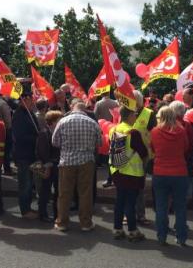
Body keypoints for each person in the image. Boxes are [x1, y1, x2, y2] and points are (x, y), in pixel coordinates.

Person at [53, 102, 102, 231]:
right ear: (84, 109)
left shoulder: (63, 121)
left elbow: (55, 141)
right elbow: (100, 142)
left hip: (67, 161)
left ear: (72, 108)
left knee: (64, 193)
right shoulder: (92, 123)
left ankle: (62, 222)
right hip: (86, 161)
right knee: (85, 193)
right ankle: (85, 223)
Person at [151, 106, 189, 246]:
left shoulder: (155, 132)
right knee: (180, 207)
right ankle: (181, 237)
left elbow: (153, 148)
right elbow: (186, 147)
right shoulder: (181, 131)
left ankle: (162, 236)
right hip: (179, 172)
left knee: (161, 207)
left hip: (160, 172)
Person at [109, 107, 148, 241]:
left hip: (117, 170)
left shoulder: (113, 129)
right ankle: (132, 230)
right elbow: (143, 152)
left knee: (120, 201)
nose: (136, 117)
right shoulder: (133, 132)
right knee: (130, 203)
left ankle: (117, 229)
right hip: (132, 173)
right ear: (130, 116)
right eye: (134, 115)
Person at [12, 91, 39, 219]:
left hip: (30, 154)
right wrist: (36, 137)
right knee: (25, 183)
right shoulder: (18, 115)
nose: (32, 101)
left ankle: (27, 207)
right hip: (23, 154)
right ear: (24, 99)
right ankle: (25, 210)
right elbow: (19, 136)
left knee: (29, 183)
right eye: (30, 99)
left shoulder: (30, 113)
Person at [132, 90, 156, 226]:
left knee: (139, 185)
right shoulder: (125, 112)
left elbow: (154, 134)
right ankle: (128, 213)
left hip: (143, 154)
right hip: (128, 153)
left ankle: (140, 214)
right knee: (128, 184)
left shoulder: (149, 114)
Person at [37, 110, 63, 223]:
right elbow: (42, 151)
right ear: (52, 122)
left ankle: (57, 214)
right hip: (47, 166)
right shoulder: (44, 133)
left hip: (57, 166)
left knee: (58, 192)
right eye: (59, 120)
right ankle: (42, 214)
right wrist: (47, 165)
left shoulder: (59, 132)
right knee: (45, 191)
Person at [0, 92, 13, 175]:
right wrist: (9, 129)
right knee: (5, 150)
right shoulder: (2, 103)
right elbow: (8, 121)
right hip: (2, 129)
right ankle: (6, 169)